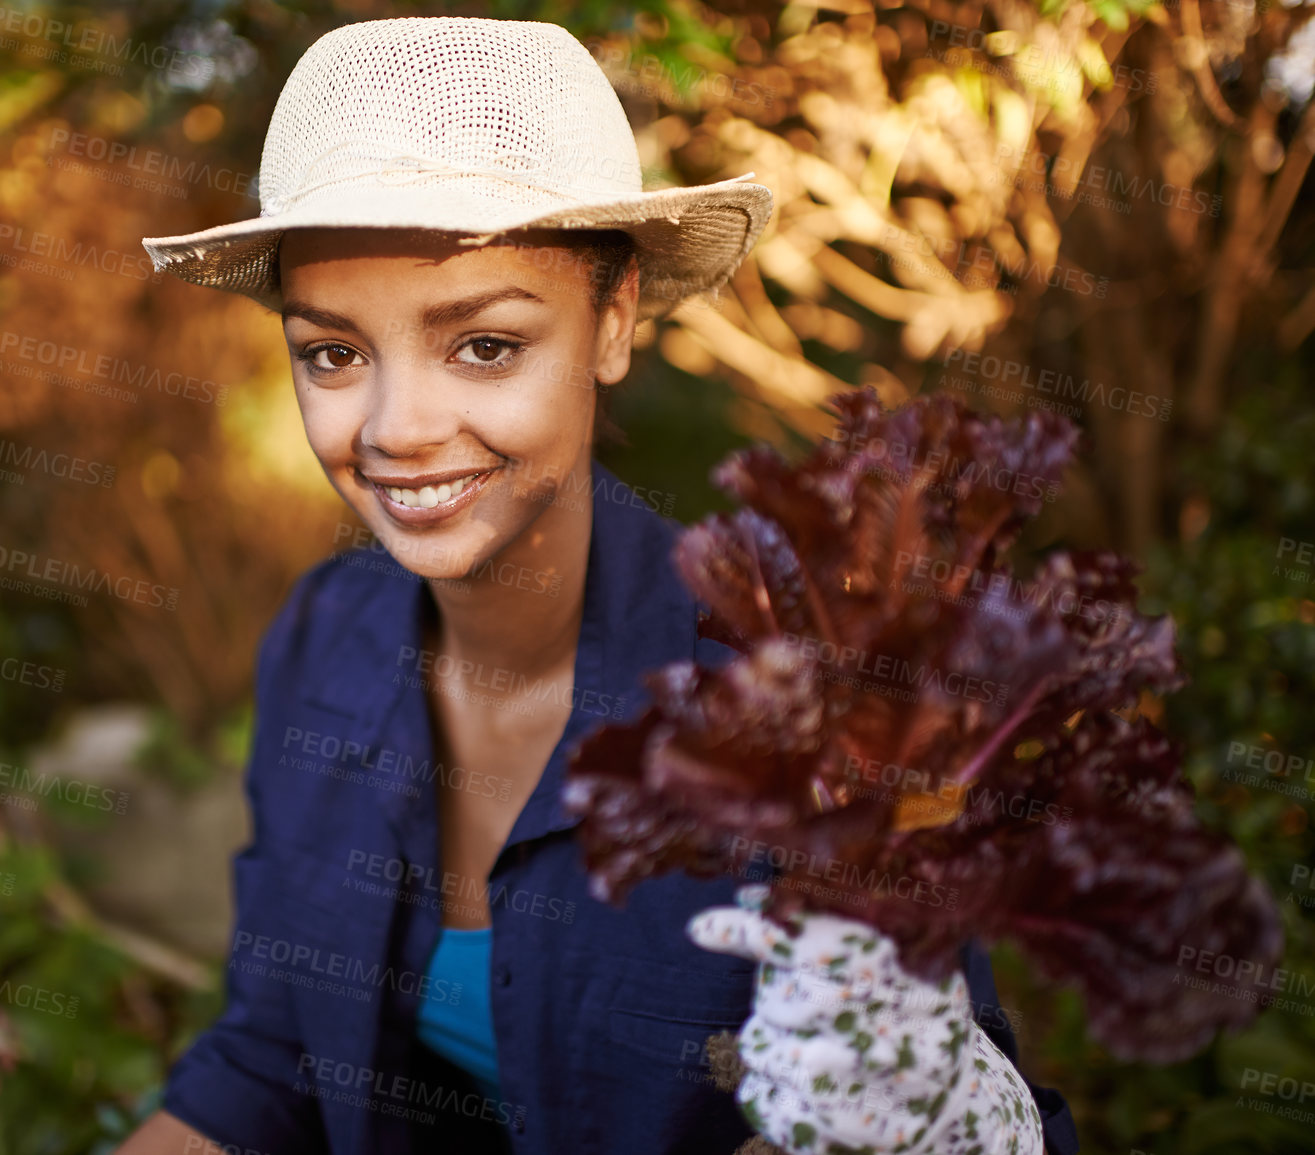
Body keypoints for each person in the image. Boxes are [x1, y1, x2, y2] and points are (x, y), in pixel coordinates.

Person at [116, 17, 1079, 1155]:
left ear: (613, 320)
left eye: (484, 346)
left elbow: (890, 1102)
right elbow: (270, 1056)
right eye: (333, 353)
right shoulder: (323, 640)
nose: (396, 430)